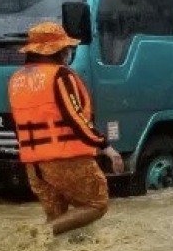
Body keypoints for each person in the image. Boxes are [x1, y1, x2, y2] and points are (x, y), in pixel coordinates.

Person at [8, 22, 125, 236]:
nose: (68, 51)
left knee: (60, 220)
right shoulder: (61, 75)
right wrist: (106, 147)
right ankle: (40, 234)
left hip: (34, 164)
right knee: (96, 205)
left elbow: (16, 123)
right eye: (66, 48)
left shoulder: (17, 79)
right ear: (59, 50)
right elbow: (75, 117)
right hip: (67, 158)